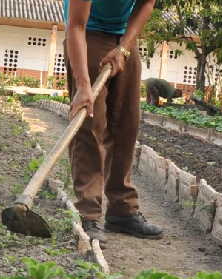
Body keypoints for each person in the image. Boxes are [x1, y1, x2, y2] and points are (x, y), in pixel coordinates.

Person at [64, 0, 163, 244]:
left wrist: (125, 47)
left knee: (126, 126)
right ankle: (89, 213)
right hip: (87, 35)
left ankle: (122, 211)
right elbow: (75, 25)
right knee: (89, 125)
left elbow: (147, 3)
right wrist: (83, 86)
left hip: (123, 36)